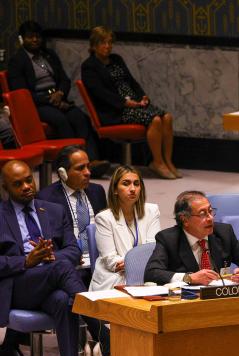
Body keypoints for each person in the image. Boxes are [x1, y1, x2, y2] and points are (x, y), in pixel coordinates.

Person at [0, 160, 91, 356]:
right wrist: (25, 261)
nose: (26, 186)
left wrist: (52, 257)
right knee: (61, 269)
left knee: (62, 300)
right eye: (17, 184)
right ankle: (97, 324)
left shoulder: (53, 210)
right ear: (5, 188)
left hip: (52, 281)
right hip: (19, 286)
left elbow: (73, 249)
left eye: (29, 180)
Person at [7, 21, 109, 178]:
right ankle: (73, 165)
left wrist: (60, 93)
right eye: (30, 37)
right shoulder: (17, 61)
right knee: (61, 120)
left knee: (80, 118)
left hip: (58, 99)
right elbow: (21, 93)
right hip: (37, 104)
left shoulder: (49, 55)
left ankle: (91, 161)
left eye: (37, 36)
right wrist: (50, 100)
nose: (35, 40)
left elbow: (64, 79)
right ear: (22, 39)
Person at [37, 145, 111, 356]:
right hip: (69, 264)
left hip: (98, 260)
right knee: (75, 283)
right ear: (62, 173)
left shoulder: (97, 191)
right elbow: (50, 242)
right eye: (80, 168)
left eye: (88, 166)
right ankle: (102, 337)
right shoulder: (47, 198)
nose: (88, 172)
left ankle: (109, 340)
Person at [81, 26, 179, 180]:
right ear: (93, 46)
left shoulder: (116, 59)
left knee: (167, 117)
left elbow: (131, 82)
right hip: (115, 111)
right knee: (155, 120)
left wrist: (142, 97)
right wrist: (125, 103)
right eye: (103, 43)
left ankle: (168, 161)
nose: (107, 46)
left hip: (133, 104)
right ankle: (157, 162)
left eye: (110, 42)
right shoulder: (89, 66)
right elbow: (101, 94)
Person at [144, 190, 239, 285]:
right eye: (202, 214)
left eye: (210, 211)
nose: (210, 218)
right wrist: (189, 278)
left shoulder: (223, 233)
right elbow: (152, 273)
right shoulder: (169, 239)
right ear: (185, 220)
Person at [89, 165, 160, 291]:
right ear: (115, 190)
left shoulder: (152, 211)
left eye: (136, 184)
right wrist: (141, 262)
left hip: (146, 276)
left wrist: (132, 263)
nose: (132, 189)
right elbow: (111, 260)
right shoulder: (104, 218)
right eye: (126, 184)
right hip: (114, 279)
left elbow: (153, 249)